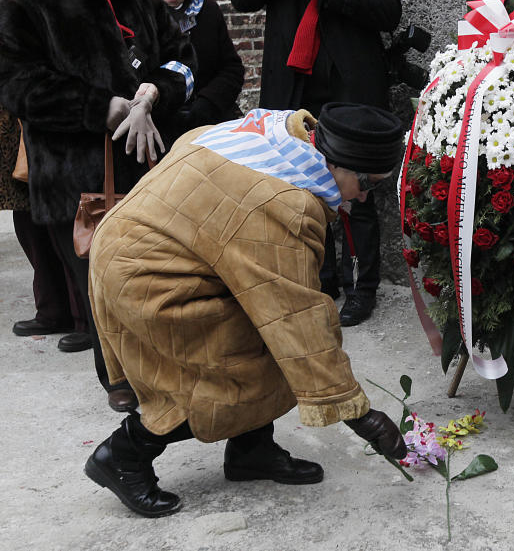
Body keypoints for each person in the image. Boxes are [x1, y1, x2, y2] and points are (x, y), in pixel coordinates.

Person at [84, 104, 408, 517]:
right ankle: (122, 454)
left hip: (140, 243)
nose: (363, 196)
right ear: (333, 161)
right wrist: (360, 415)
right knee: (219, 375)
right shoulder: (283, 203)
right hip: (150, 274)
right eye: (366, 184)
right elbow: (298, 321)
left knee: (267, 345)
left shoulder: (280, 135)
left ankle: (251, 450)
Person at [0, 0, 196, 413]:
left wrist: (154, 92)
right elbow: (18, 85)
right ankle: (122, 382)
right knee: (100, 286)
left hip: (151, 169)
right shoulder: (28, 2)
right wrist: (100, 107)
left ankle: (167, 370)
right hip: (73, 178)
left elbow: (183, 61)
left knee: (158, 279)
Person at [229, 0, 402, 327]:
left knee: (356, 193)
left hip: (351, 88)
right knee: (299, 189)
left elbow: (387, 12)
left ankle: (362, 287)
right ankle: (319, 279)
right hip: (293, 88)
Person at [0, 0, 91, 344]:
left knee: (62, 214)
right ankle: (52, 306)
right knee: (27, 215)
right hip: (11, 118)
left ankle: (81, 316)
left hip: (47, 115)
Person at [129, 0, 243, 142]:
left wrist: (207, 104)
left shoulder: (207, 10)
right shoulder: (134, 18)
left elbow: (232, 68)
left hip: (211, 121)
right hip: (157, 128)